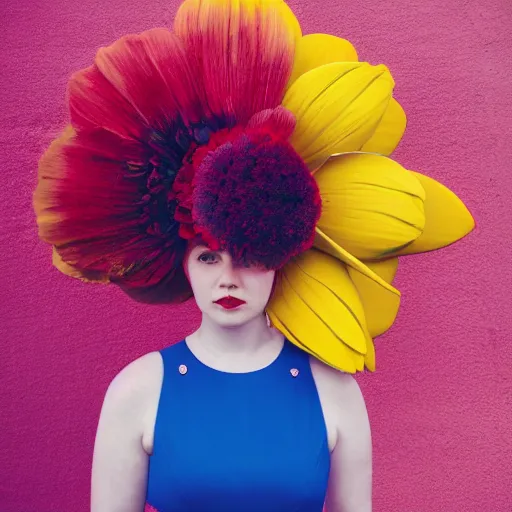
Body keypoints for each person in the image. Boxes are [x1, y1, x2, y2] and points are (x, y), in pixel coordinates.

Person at [33, 0, 474, 510]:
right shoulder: (137, 390)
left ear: (283, 255)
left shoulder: (334, 391)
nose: (228, 279)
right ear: (180, 263)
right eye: (207, 257)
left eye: (251, 255)